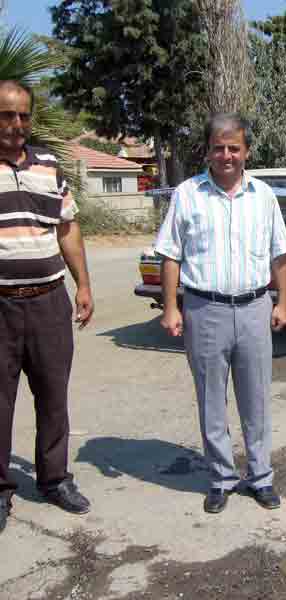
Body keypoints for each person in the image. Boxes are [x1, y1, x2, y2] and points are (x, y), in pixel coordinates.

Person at [155, 113, 286, 514]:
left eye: (234, 147)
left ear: (246, 151)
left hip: (253, 308)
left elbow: (279, 253)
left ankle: (261, 477)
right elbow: (169, 254)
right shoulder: (187, 194)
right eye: (219, 147)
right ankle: (221, 478)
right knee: (211, 400)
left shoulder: (264, 196)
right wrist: (170, 307)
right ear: (208, 151)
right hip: (205, 310)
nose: (226, 155)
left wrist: (282, 301)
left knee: (257, 400)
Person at [0, 80, 94, 535]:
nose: (15, 125)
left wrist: (84, 285)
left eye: (22, 116)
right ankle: (0, 489)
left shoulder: (51, 167)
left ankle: (54, 479)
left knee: (54, 397)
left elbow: (68, 229)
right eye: (6, 115)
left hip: (47, 303)